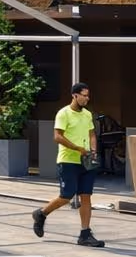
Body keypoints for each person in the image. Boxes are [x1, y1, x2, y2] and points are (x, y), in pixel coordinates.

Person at [32, 82, 104, 247]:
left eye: (88, 95)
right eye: (84, 95)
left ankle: (85, 234)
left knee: (86, 196)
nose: (87, 98)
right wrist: (77, 148)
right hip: (68, 160)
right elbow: (57, 136)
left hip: (86, 161)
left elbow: (92, 134)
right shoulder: (63, 113)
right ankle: (41, 214)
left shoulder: (87, 114)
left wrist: (93, 150)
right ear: (75, 95)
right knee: (67, 196)